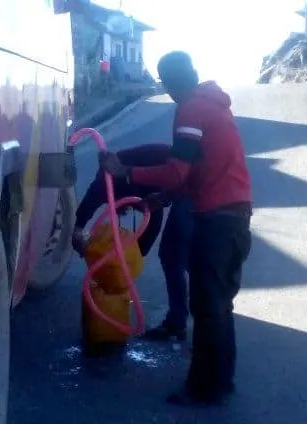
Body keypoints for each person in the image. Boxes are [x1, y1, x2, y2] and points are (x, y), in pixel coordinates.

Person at [98, 51, 253, 406]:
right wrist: (162, 199)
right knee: (218, 306)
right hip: (233, 218)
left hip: (217, 221)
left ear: (168, 83)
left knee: (207, 306)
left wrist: (126, 172)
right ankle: (220, 381)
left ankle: (203, 388)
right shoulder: (211, 106)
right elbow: (195, 171)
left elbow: (177, 170)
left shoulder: (192, 110)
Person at [72, 143, 193, 341]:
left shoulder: (112, 181)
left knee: (179, 254)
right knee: (175, 256)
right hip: (175, 177)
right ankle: (182, 320)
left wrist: (128, 261)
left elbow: (153, 223)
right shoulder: (115, 186)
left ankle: (191, 320)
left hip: (187, 181)